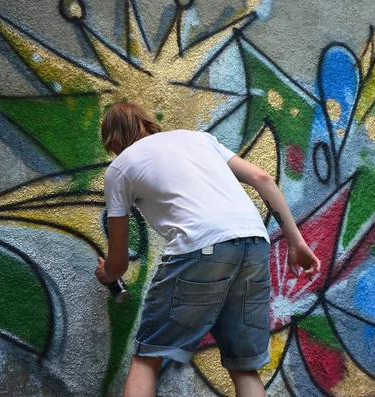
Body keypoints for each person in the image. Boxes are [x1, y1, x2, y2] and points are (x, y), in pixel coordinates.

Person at [94, 102, 320, 397]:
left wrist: (106, 273)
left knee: (147, 359)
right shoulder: (199, 139)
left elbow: (119, 262)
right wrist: (296, 241)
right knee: (244, 366)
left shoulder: (120, 168)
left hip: (199, 247)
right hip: (254, 243)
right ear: (145, 122)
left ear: (112, 140)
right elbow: (262, 178)